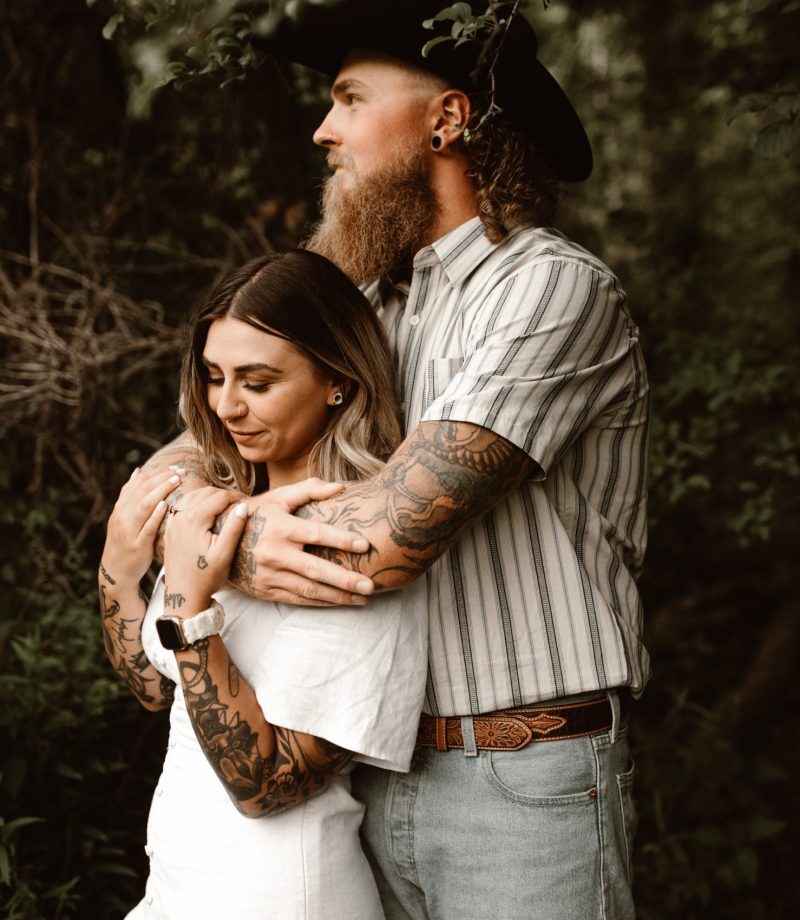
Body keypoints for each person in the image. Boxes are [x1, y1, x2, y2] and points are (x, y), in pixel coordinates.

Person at [144, 3, 651, 918]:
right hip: (361, 775)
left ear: (447, 119)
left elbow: (383, 540)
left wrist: (217, 542)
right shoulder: (359, 300)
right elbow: (175, 468)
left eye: (348, 98)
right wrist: (189, 511)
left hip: (521, 779)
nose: (322, 128)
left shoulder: (550, 287)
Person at [99, 250, 428, 919]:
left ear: (336, 378)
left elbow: (267, 784)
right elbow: (151, 687)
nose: (225, 406)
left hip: (276, 896)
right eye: (215, 377)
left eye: (258, 381)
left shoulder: (347, 550)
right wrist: (117, 566)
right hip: (179, 884)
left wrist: (190, 608)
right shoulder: (219, 512)